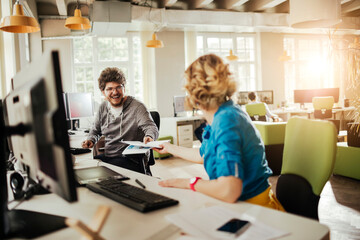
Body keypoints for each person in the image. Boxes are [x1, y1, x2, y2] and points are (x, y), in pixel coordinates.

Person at [154, 54, 284, 211]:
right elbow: (203, 155)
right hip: (243, 205)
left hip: (254, 209)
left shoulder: (227, 121)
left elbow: (229, 190)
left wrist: (190, 182)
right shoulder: (223, 115)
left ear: (194, 95)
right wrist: (169, 148)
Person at [82, 67, 158, 175]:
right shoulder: (103, 107)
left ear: (124, 88)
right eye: (110, 89)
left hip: (132, 159)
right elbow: (95, 130)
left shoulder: (137, 107)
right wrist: (91, 140)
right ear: (103, 92)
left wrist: (150, 136)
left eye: (118, 87)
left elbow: (151, 127)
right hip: (110, 157)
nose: (115, 92)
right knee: (86, 169)